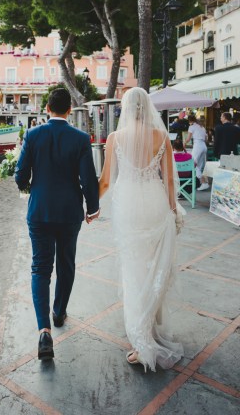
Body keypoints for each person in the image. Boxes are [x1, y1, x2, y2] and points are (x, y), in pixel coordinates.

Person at [99, 87, 184, 372]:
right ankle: (149, 328)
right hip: (156, 203)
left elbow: (107, 181)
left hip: (129, 207)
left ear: (125, 108)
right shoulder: (161, 136)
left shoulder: (115, 138)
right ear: (147, 108)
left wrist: (88, 205)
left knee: (134, 271)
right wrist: (173, 211)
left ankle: (142, 341)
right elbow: (170, 180)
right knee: (155, 267)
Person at [15, 88, 100, 360]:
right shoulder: (80, 138)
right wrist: (93, 207)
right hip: (68, 212)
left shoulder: (33, 134)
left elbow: (20, 175)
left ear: (48, 109)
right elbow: (88, 178)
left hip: (39, 211)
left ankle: (44, 331)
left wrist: (30, 187)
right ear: (69, 110)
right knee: (66, 264)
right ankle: (60, 312)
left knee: (40, 268)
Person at [184, 115, 209, 191]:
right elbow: (206, 139)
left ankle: (204, 183)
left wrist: (184, 143)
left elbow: (188, 139)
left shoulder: (192, 127)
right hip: (203, 146)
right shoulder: (202, 127)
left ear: (189, 121)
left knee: (193, 164)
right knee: (199, 166)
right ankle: (203, 183)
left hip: (198, 145)